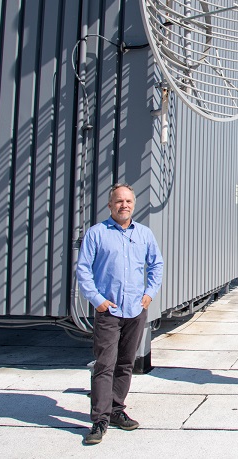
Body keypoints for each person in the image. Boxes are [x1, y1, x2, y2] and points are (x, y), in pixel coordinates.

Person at [76, 183, 164, 445]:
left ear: (133, 205)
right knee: (104, 365)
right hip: (109, 312)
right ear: (110, 205)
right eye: (118, 201)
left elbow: (156, 265)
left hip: (136, 311)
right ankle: (99, 419)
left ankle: (116, 410)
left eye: (127, 201)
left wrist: (149, 294)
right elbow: (83, 270)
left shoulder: (145, 234)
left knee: (125, 363)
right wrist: (98, 300)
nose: (123, 205)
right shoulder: (97, 234)